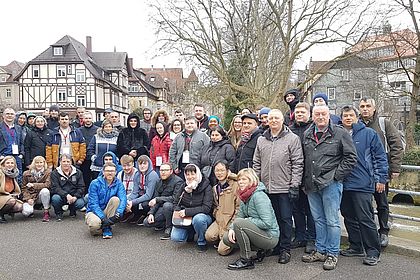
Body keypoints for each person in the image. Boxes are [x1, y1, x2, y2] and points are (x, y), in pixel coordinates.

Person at [301, 105, 357, 270]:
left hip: (330, 184)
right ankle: (321, 250)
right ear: (312, 116)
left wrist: (336, 176)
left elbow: (351, 158)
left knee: (332, 221)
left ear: (329, 115)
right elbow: (305, 159)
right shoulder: (307, 134)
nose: (320, 117)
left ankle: (332, 253)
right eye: (317, 114)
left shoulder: (340, 133)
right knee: (318, 219)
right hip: (312, 185)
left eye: (323, 114)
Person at [253, 109, 304, 264]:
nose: (273, 120)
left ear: (283, 120)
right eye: (271, 118)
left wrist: (295, 184)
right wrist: (257, 183)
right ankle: (275, 245)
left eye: (276, 118)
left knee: (285, 219)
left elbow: (297, 163)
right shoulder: (262, 140)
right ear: (267, 121)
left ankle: (285, 249)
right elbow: (257, 163)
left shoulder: (292, 138)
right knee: (271, 219)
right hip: (266, 187)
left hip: (284, 187)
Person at [340, 105, 388, 266]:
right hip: (343, 183)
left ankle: (373, 250)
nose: (348, 118)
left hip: (362, 183)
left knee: (365, 218)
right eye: (345, 116)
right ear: (341, 118)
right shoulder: (339, 134)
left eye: (351, 115)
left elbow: (380, 157)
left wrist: (381, 178)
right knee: (348, 216)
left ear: (357, 117)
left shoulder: (369, 134)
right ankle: (356, 245)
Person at [359, 97, 403, 247]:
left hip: (380, 169)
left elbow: (396, 145)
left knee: (382, 202)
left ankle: (383, 231)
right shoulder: (356, 124)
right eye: (362, 106)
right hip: (362, 171)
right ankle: (369, 231)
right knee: (365, 203)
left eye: (368, 106)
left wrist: (395, 167)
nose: (365, 109)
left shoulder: (384, 124)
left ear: (374, 108)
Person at [222, 168, 279, 270]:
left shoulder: (259, 196)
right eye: (239, 179)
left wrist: (247, 221)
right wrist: (231, 228)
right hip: (259, 232)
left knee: (239, 224)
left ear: (251, 180)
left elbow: (267, 223)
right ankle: (261, 251)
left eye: (244, 179)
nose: (240, 182)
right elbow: (240, 216)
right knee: (227, 238)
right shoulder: (245, 196)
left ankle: (246, 260)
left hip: (270, 236)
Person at [289, 102, 316, 253]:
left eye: (302, 112)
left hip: (309, 176)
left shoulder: (313, 129)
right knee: (296, 209)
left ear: (309, 114)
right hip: (293, 176)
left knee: (311, 209)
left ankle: (311, 237)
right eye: (297, 112)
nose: (299, 114)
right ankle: (300, 236)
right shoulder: (289, 130)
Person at [171, 163, 213, 252]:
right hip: (186, 216)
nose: (190, 177)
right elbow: (175, 202)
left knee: (198, 219)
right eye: (187, 174)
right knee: (176, 237)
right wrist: (178, 210)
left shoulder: (206, 187)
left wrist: (187, 211)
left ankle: (202, 241)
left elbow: (206, 208)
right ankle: (191, 231)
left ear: (197, 174)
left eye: (193, 174)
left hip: (202, 216)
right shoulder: (184, 186)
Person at [205, 160, 240, 255]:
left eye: (222, 170)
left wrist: (232, 225)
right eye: (217, 171)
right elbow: (215, 206)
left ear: (228, 171)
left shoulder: (235, 186)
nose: (219, 173)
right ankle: (222, 238)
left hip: (231, 222)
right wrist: (216, 214)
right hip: (220, 220)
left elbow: (239, 209)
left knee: (222, 251)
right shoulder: (215, 188)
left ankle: (236, 241)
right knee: (209, 236)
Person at [85, 162, 127, 239]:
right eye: (107, 171)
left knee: (116, 200)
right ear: (103, 172)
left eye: (112, 171)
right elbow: (93, 204)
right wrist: (103, 218)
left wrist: (118, 214)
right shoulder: (95, 183)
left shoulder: (119, 183)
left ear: (115, 172)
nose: (110, 173)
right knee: (94, 227)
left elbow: (123, 199)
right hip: (94, 211)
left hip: (108, 210)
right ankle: (101, 225)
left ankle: (107, 227)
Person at [143, 162, 184, 239]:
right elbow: (156, 198)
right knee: (146, 222)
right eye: (161, 170)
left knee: (167, 205)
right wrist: (151, 213)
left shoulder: (178, 181)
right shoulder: (158, 181)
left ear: (171, 171)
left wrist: (158, 199)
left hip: (174, 207)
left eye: (166, 170)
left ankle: (169, 227)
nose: (163, 172)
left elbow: (175, 198)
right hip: (161, 207)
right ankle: (163, 224)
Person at [50, 154, 85, 221]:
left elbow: (82, 187)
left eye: (68, 161)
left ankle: (72, 210)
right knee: (55, 198)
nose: (66, 163)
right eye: (64, 161)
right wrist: (66, 195)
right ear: (60, 162)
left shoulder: (78, 172)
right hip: (61, 196)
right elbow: (55, 188)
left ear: (71, 162)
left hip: (73, 196)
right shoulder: (54, 173)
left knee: (80, 203)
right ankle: (59, 213)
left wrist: (75, 196)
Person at [126, 155, 159, 224]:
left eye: (144, 163)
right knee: (129, 200)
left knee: (144, 203)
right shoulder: (137, 174)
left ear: (149, 164)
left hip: (153, 197)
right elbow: (135, 192)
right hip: (142, 194)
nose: (142, 166)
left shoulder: (152, 175)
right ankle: (136, 215)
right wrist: (127, 201)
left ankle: (145, 215)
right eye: (140, 163)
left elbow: (148, 195)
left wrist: (133, 202)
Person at [21, 156, 52, 222]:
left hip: (41, 196)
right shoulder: (26, 173)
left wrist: (33, 185)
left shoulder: (48, 172)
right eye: (37, 162)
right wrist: (28, 198)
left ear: (44, 163)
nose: (39, 164)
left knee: (45, 191)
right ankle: (31, 209)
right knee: (26, 212)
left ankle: (46, 212)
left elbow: (47, 185)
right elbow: (23, 188)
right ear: (34, 163)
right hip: (31, 196)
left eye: (41, 162)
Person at [0, 108, 24, 183]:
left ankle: (18, 194)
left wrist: (21, 154)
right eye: (7, 114)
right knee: (3, 179)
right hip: (3, 156)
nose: (9, 115)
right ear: (3, 116)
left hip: (16, 156)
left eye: (11, 114)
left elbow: (22, 143)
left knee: (18, 178)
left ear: (14, 116)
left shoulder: (18, 128)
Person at [77, 111, 99, 188]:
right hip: (83, 159)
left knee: (95, 178)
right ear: (83, 119)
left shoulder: (97, 130)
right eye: (86, 118)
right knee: (85, 178)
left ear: (92, 119)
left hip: (94, 157)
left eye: (89, 118)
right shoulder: (79, 130)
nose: (88, 120)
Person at [0, 156, 23, 223]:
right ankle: (0, 215)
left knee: (20, 207)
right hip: (1, 195)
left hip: (8, 196)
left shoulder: (14, 173)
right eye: (7, 163)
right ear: (3, 164)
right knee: (11, 201)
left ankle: (5, 212)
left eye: (12, 163)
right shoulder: (0, 173)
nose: (10, 165)